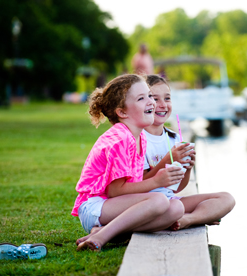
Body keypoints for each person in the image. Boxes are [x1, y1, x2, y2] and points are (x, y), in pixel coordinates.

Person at [72, 74, 186, 251]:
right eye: (142, 98)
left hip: (115, 207)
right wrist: (157, 181)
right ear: (122, 112)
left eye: (149, 95)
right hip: (95, 206)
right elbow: (115, 191)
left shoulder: (139, 137)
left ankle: (104, 232)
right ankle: (101, 237)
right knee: (160, 201)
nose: (151, 102)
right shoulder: (120, 138)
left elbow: (132, 186)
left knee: (176, 208)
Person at [143, 75, 236, 230]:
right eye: (155, 99)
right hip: (148, 204)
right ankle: (197, 217)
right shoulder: (139, 139)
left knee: (227, 199)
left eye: (167, 98)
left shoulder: (174, 139)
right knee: (172, 206)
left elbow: (176, 188)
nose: (162, 105)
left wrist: (188, 168)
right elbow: (139, 184)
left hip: (171, 200)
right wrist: (167, 159)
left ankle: (189, 219)